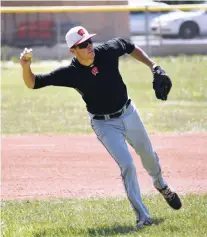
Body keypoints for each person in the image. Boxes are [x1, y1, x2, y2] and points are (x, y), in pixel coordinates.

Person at [20, 26, 182, 229]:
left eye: (89, 41)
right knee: (127, 165)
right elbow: (33, 83)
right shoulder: (71, 73)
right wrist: (26, 67)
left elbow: (129, 46)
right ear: (73, 50)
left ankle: (161, 185)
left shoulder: (107, 51)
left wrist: (154, 66)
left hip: (128, 112)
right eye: (82, 44)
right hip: (104, 124)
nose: (89, 46)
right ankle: (142, 216)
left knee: (148, 155)